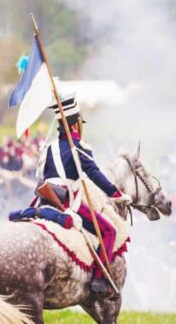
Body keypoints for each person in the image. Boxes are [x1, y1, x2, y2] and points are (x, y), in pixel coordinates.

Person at [34, 93, 131, 297]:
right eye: (79, 123)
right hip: (68, 200)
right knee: (109, 231)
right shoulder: (80, 147)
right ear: (75, 126)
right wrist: (115, 193)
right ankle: (98, 279)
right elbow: (94, 174)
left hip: (44, 198)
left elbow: (41, 176)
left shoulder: (48, 148)